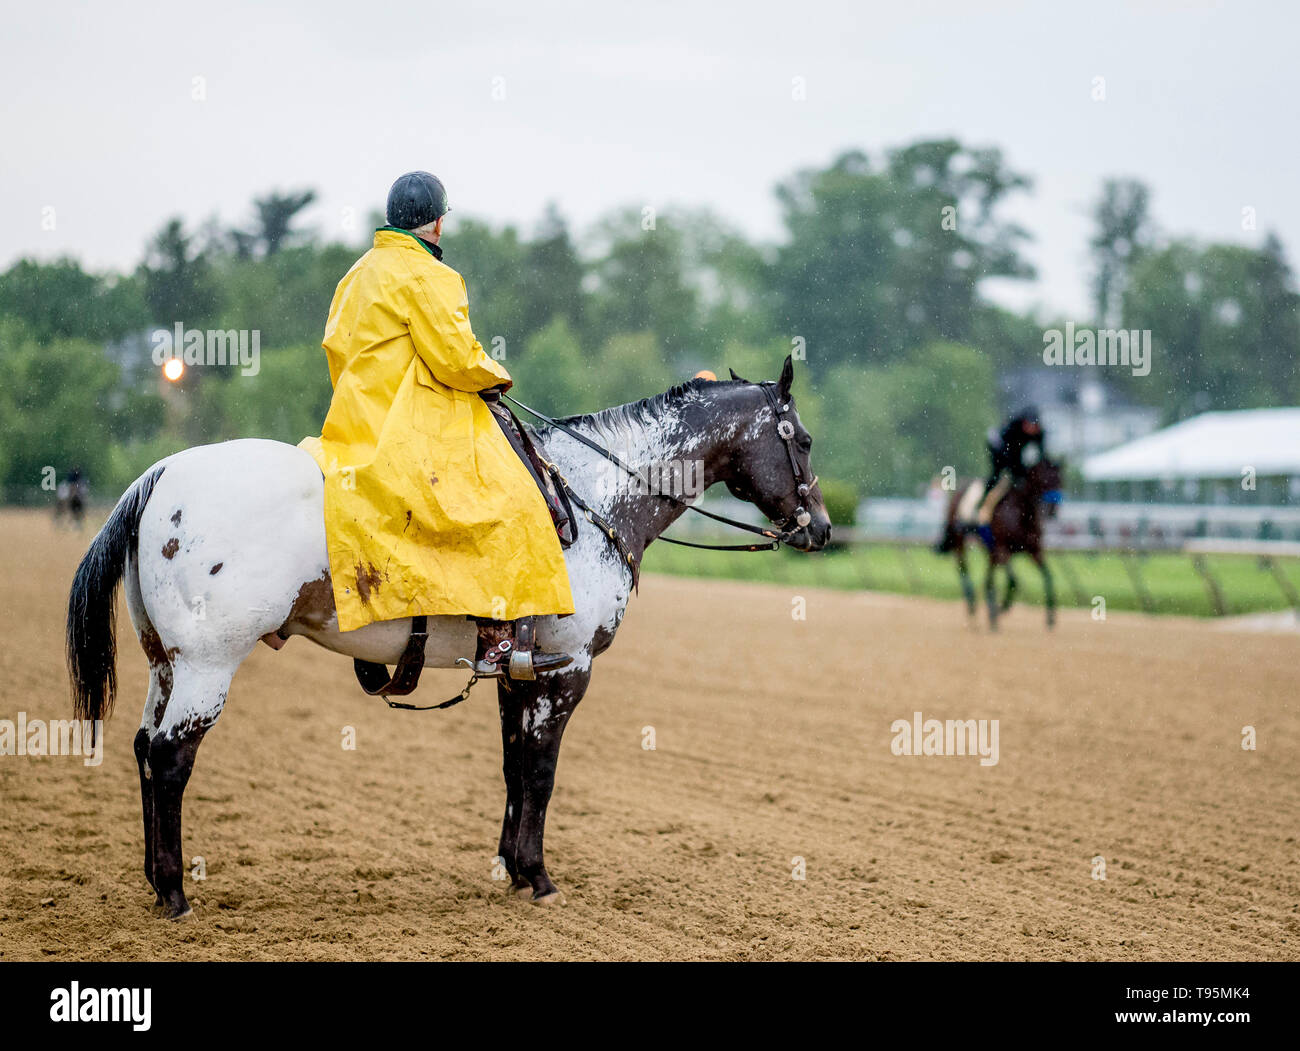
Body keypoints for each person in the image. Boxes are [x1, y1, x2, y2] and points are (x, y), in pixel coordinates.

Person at [301, 171, 574, 680]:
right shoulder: (432, 277)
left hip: (352, 426)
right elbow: (453, 358)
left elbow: (336, 352)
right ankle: (498, 645)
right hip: (415, 426)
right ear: (439, 223)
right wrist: (494, 376)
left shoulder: (355, 275)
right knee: (512, 505)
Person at [975, 407, 1046, 530]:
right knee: (996, 476)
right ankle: (982, 505)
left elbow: (1040, 455)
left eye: (1034, 425)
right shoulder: (1013, 429)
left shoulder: (1039, 433)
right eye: (1029, 425)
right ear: (1024, 423)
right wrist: (1016, 471)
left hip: (1015, 453)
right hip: (999, 451)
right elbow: (1009, 455)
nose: (1031, 428)